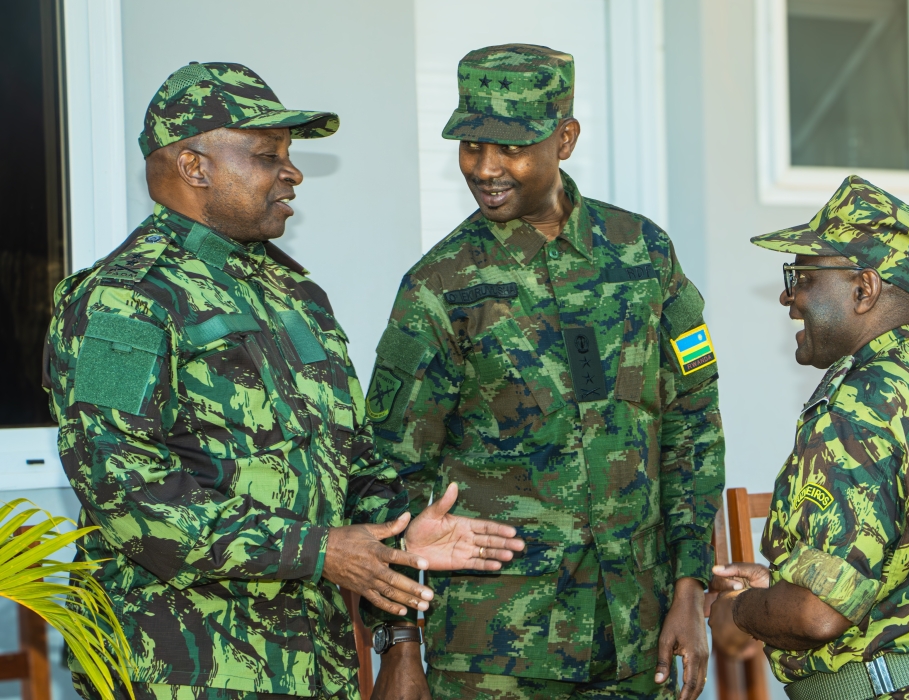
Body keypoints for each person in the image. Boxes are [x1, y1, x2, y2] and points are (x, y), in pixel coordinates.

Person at [43, 62, 525, 700]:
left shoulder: (293, 293)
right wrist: (318, 550)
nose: (292, 173)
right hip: (179, 667)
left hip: (311, 663)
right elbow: (128, 493)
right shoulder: (124, 301)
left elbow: (352, 461)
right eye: (269, 156)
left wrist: (400, 538)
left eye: (288, 157)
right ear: (194, 167)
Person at [363, 44, 725, 700]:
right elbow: (389, 472)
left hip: (634, 640)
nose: (486, 167)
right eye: (472, 145)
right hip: (494, 654)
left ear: (565, 138)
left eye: (510, 146)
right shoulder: (439, 286)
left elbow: (692, 428)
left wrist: (690, 593)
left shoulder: (645, 256)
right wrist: (400, 643)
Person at [708, 176, 909, 699]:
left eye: (804, 276)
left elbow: (818, 614)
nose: (790, 298)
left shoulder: (855, 409)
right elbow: (895, 581)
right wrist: (778, 586)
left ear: (864, 289)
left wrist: (735, 611)